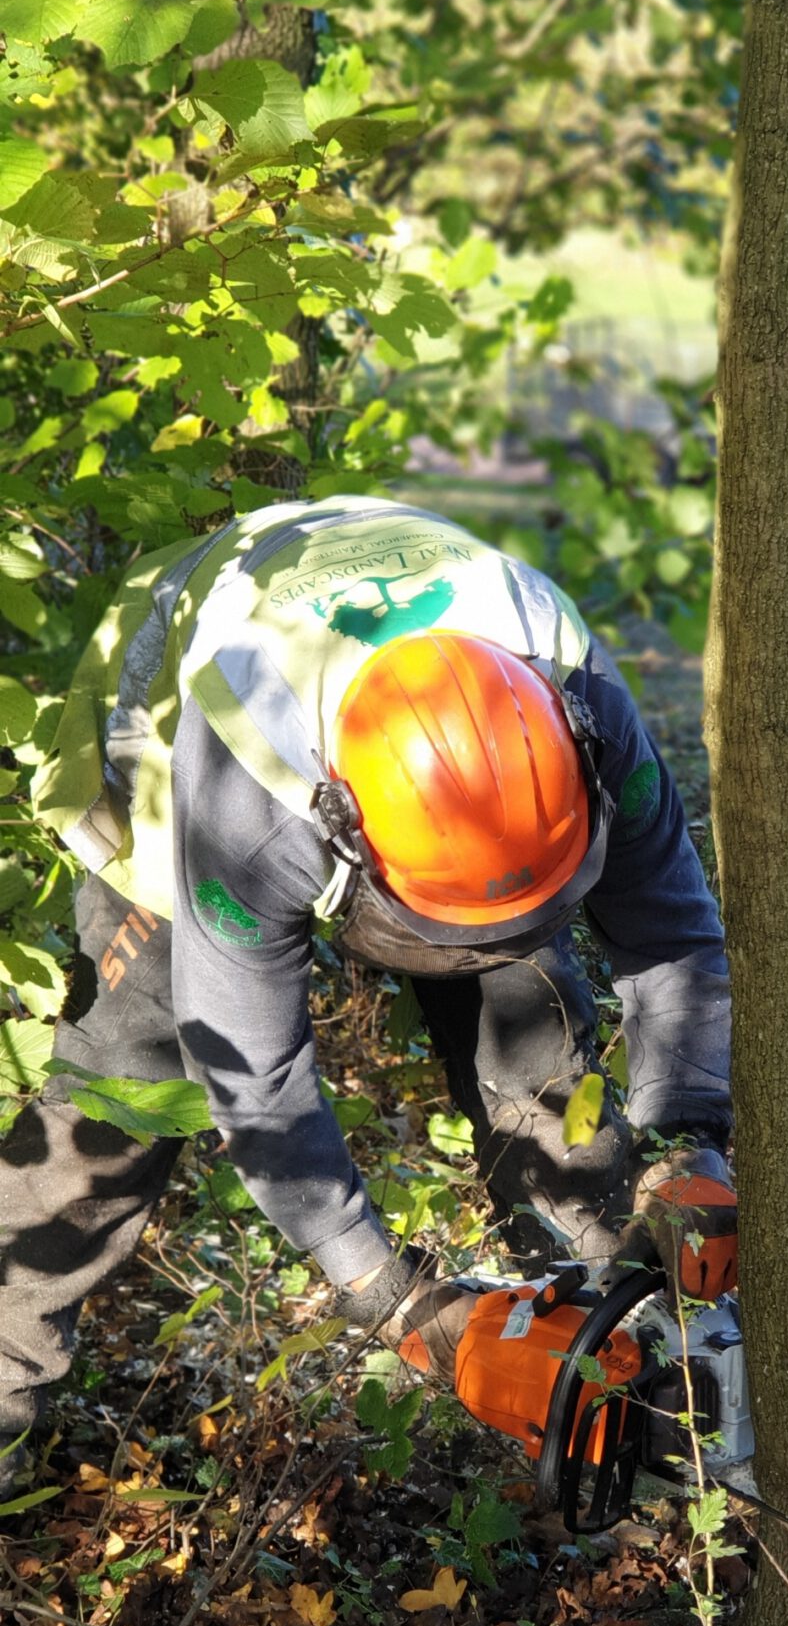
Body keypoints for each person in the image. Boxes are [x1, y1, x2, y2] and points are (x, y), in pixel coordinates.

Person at [0, 495, 735, 1487]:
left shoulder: (578, 705)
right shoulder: (244, 812)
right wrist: (398, 1303)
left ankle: (629, 1373)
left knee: (535, 1055)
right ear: (342, 835)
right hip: (174, 730)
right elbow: (252, 1077)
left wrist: (689, 1137)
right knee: (115, 1114)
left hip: (439, 714)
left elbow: (675, 933)